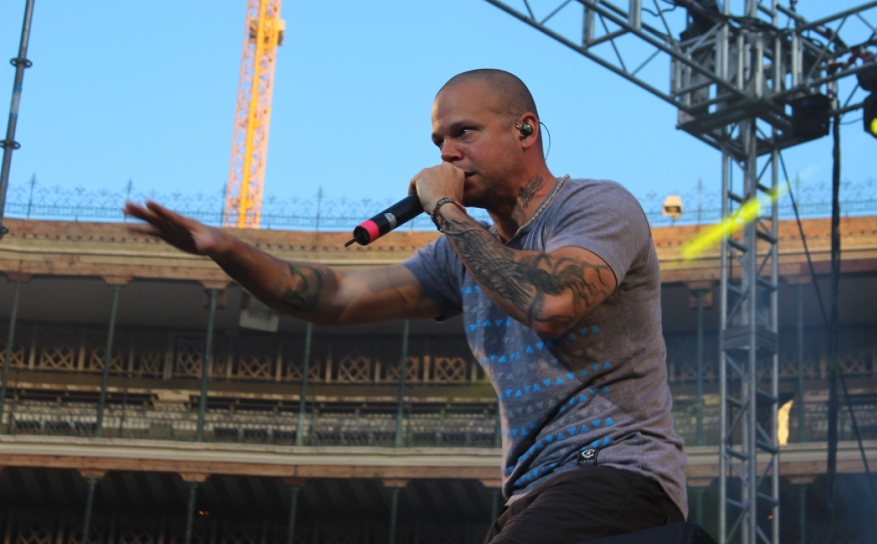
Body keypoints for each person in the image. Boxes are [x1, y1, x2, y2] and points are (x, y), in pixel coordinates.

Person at [125, 69, 687, 543]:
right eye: (439, 140)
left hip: (617, 471)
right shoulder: (460, 252)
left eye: (464, 132)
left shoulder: (596, 206)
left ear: (525, 130)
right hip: (532, 494)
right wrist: (226, 250)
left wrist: (444, 208)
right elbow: (336, 298)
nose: (447, 153)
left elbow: (552, 302)